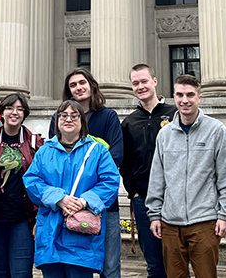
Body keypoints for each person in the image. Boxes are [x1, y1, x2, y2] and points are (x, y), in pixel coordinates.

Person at [146, 74, 226, 278]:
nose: (184, 100)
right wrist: (154, 214)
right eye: (179, 94)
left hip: (204, 222)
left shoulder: (216, 131)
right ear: (174, 97)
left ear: (199, 97)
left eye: (190, 95)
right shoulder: (165, 134)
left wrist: (225, 215)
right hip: (170, 223)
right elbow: (157, 178)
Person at [24, 100, 121, 278]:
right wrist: (59, 199)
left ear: (82, 122)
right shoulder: (44, 151)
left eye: (74, 115)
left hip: (82, 237)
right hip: (51, 233)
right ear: (57, 121)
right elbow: (31, 180)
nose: (69, 119)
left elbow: (111, 181)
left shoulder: (98, 151)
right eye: (63, 115)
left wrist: (84, 201)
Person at [48, 68, 123, 278]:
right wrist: (67, 200)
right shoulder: (58, 117)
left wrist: (86, 197)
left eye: (82, 83)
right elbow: (52, 156)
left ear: (91, 85)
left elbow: (116, 155)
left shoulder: (108, 116)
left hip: (103, 203)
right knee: (75, 265)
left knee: (109, 266)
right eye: (73, 85)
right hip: (67, 205)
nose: (78, 88)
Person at [120, 64, 177, 278]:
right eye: (135, 83)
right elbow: (125, 162)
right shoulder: (129, 122)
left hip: (175, 198)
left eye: (144, 81)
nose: (140, 86)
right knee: (154, 263)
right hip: (142, 199)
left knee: (178, 261)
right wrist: (133, 192)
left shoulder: (175, 114)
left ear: (154, 81)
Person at [0, 93, 43, 278]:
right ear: (1, 112)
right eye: (9, 108)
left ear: (25, 113)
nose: (14, 112)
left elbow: (44, 181)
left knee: (21, 274)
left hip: (23, 220)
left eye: (19, 109)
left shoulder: (36, 143)